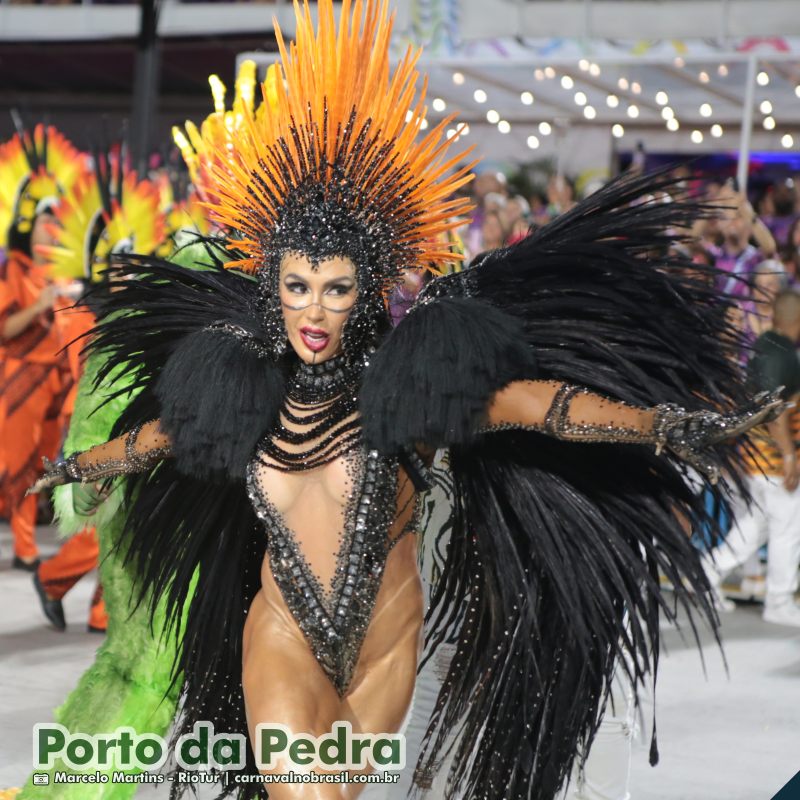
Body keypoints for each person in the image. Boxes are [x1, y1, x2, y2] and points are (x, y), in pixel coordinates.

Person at [28, 3, 782, 798]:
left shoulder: (407, 386)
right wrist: (82, 465)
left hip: (387, 641)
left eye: (335, 289)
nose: (313, 310)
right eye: (297, 287)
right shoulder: (243, 386)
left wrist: (660, 425)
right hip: (279, 633)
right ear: (274, 287)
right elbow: (160, 438)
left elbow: (537, 405)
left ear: (366, 292)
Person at [0, 125, 86, 569]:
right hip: (19, 378)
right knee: (18, 469)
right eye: (45, 220)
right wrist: (40, 302)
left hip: (57, 381)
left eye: (57, 220)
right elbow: (5, 327)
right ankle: (25, 550)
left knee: (39, 468)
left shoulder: (62, 273)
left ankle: (37, 539)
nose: (53, 228)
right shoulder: (12, 269)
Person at [704, 289, 800, 626]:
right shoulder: (783, 354)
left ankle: (706, 575)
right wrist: (789, 456)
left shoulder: (761, 348)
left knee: (753, 525)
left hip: (754, 455)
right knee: (787, 528)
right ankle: (779, 601)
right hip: (773, 459)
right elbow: (775, 408)